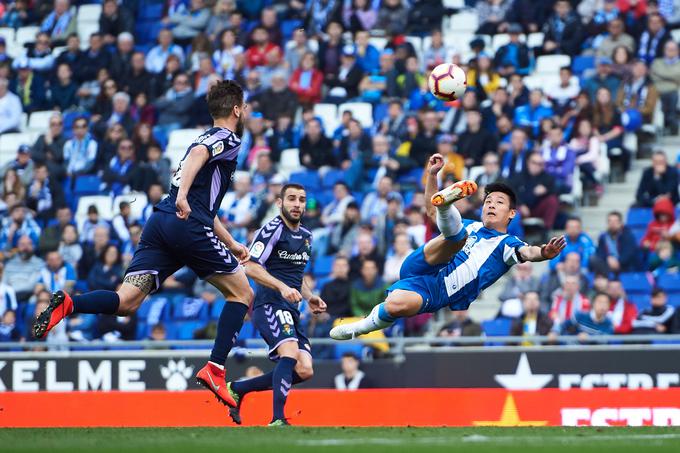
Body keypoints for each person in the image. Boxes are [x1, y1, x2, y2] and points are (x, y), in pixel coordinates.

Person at [33, 80, 254, 410]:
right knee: (242, 294)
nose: (246, 110)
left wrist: (232, 241)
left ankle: (70, 305)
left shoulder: (202, 136)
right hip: (186, 225)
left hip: (161, 223)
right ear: (236, 109)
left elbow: (202, 201)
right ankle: (215, 369)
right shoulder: (227, 138)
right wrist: (182, 199)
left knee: (127, 301)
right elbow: (196, 168)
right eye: (244, 105)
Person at [331, 155, 566, 340]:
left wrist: (544, 252)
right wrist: (432, 175)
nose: (491, 205)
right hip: (428, 262)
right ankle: (446, 205)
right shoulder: (470, 226)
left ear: (511, 213)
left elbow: (529, 252)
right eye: (488, 201)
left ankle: (359, 328)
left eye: (499, 202)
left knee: (395, 305)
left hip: (439, 290)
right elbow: (430, 211)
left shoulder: (508, 244)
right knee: (456, 235)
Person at [226, 184, 326, 427]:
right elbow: (250, 266)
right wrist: (281, 287)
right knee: (289, 352)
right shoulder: (271, 230)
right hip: (269, 304)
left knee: (304, 369)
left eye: (302, 200)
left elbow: (295, 276)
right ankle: (278, 418)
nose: (297, 204)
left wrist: (310, 296)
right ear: (280, 203)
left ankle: (238, 388)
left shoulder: (306, 236)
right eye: (291, 199)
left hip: (291, 309)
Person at [650, 40, 680, 136]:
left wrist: (662, 76)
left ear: (678, 51)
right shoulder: (657, 62)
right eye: (668, 49)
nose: (670, 51)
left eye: (673, 49)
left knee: (673, 95)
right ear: (664, 50)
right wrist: (673, 78)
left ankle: (672, 121)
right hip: (658, 91)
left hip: (675, 91)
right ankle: (660, 126)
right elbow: (653, 76)